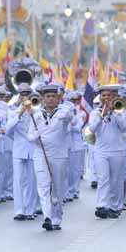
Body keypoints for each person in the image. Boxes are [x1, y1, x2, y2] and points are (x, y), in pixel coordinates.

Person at [29, 82, 74, 231]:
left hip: (59, 156)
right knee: (43, 187)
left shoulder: (63, 112)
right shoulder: (35, 115)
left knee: (57, 188)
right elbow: (29, 136)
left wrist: (62, 106)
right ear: (43, 98)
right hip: (41, 155)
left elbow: (69, 117)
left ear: (58, 98)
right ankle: (47, 216)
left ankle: (57, 217)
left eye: (54, 96)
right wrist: (36, 135)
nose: (51, 99)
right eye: (48, 96)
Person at [89, 85, 126, 219]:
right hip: (100, 150)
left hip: (117, 150)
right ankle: (102, 205)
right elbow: (92, 128)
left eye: (109, 95)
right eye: (104, 96)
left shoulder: (122, 111)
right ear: (100, 97)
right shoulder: (95, 113)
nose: (106, 98)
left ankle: (115, 206)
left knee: (115, 180)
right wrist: (102, 114)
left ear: (114, 97)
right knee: (103, 179)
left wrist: (114, 113)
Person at [6, 84, 40, 221]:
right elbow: (8, 130)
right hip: (19, 149)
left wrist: (31, 113)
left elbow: (40, 128)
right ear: (19, 96)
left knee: (32, 181)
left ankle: (30, 210)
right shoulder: (13, 111)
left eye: (27, 94)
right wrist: (20, 113)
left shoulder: (37, 110)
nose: (25, 96)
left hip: (33, 149)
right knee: (18, 180)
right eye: (22, 94)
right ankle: (19, 210)